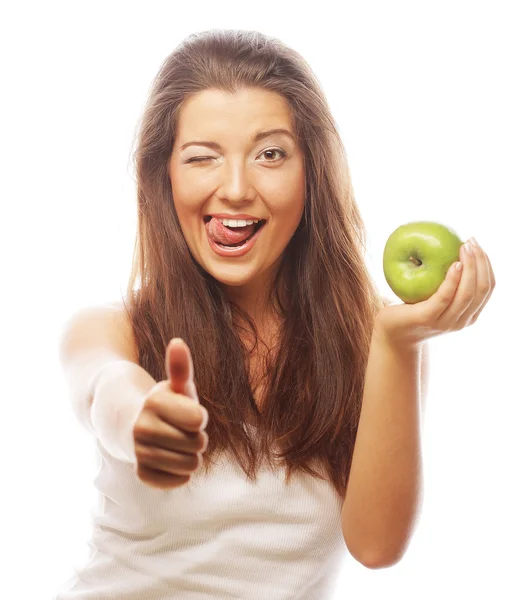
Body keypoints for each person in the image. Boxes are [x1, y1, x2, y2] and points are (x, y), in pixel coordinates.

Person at [55, 28, 495, 600]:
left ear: (312, 173)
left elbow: (377, 546)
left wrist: (396, 343)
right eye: (202, 158)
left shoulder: (374, 346)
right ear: (162, 177)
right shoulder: (111, 329)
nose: (236, 189)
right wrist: (140, 420)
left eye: (269, 154)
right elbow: (103, 388)